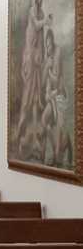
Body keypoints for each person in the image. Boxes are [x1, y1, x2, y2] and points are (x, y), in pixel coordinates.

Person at [16, 0, 51, 158]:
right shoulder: (32, 11)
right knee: (27, 98)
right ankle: (21, 131)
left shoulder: (43, 14)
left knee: (37, 98)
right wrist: (45, 21)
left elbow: (42, 34)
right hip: (30, 58)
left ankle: (36, 136)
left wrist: (43, 56)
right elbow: (37, 26)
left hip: (37, 58)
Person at [41, 28, 73, 168]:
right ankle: (56, 149)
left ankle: (64, 147)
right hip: (52, 96)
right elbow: (43, 83)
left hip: (60, 95)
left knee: (60, 128)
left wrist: (48, 69)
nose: (47, 47)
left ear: (52, 42)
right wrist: (46, 67)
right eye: (46, 45)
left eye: (49, 44)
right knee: (44, 120)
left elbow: (56, 78)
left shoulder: (58, 52)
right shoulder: (48, 57)